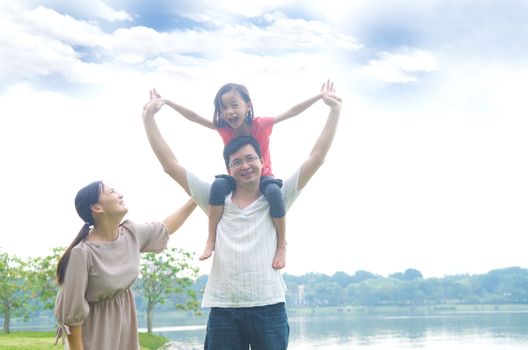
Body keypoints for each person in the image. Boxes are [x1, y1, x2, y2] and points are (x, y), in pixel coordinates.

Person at [142, 80, 341, 350]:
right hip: (224, 309)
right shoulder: (216, 198)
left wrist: (333, 111)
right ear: (228, 168)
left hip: (269, 307)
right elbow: (170, 165)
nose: (244, 166)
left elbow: (316, 158)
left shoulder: (277, 197)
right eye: (236, 162)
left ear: (262, 161)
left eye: (250, 159)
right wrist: (149, 118)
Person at [150, 83, 327, 269]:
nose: (229, 112)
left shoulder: (261, 124)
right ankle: (211, 239)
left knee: (274, 192)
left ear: (248, 106)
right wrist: (167, 102)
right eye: (223, 107)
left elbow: (292, 112)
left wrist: (319, 97)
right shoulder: (224, 128)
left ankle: (282, 244)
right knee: (217, 187)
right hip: (236, 178)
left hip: (263, 176)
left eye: (234, 105)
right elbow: (194, 117)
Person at [54, 181, 197, 350]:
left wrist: (197, 197)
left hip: (125, 330)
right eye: (112, 191)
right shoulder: (82, 253)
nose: (120, 195)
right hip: (94, 336)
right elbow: (72, 318)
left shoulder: (130, 233)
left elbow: (165, 228)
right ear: (97, 207)